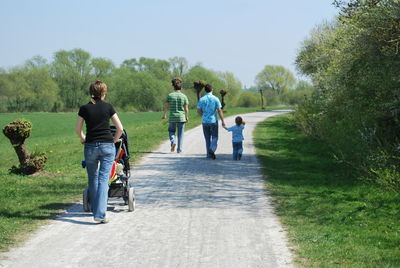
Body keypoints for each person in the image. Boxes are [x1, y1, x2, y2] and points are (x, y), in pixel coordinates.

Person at [76, 80, 123, 224]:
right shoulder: (108, 107)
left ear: (91, 92)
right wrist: (114, 140)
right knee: (104, 179)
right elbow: (120, 128)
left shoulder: (84, 108)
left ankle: (96, 210)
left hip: (90, 147)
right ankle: (100, 214)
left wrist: (84, 139)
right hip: (107, 146)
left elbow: (78, 130)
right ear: (103, 93)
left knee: (93, 178)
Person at [197, 84, 226, 159]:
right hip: (213, 121)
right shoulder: (215, 99)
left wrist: (203, 116)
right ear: (212, 90)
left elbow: (199, 111)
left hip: (205, 121)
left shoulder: (202, 99)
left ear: (205, 90)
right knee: (215, 137)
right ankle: (212, 149)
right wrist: (222, 121)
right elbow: (219, 110)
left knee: (207, 138)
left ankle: (208, 154)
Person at [162, 77, 189, 153]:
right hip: (181, 117)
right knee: (180, 134)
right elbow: (186, 108)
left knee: (171, 131)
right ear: (181, 87)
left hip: (172, 117)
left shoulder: (170, 95)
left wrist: (164, 115)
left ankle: (173, 141)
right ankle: (179, 149)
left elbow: (167, 107)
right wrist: (187, 116)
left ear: (173, 87)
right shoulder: (184, 96)